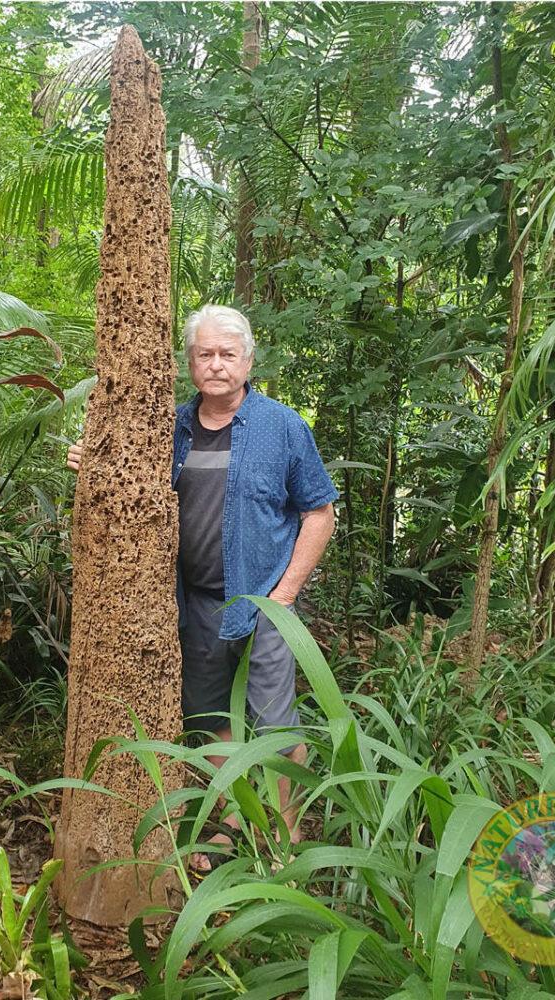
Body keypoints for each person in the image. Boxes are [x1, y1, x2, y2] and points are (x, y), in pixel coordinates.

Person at [67, 304, 337, 871]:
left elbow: (319, 512)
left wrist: (286, 593)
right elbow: (131, 481)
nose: (216, 365)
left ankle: (285, 841)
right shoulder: (170, 428)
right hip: (196, 606)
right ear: (189, 362)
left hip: (265, 604)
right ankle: (231, 826)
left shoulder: (283, 427)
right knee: (212, 720)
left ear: (248, 361)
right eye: (204, 354)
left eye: (227, 354)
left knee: (276, 725)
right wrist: (95, 464)